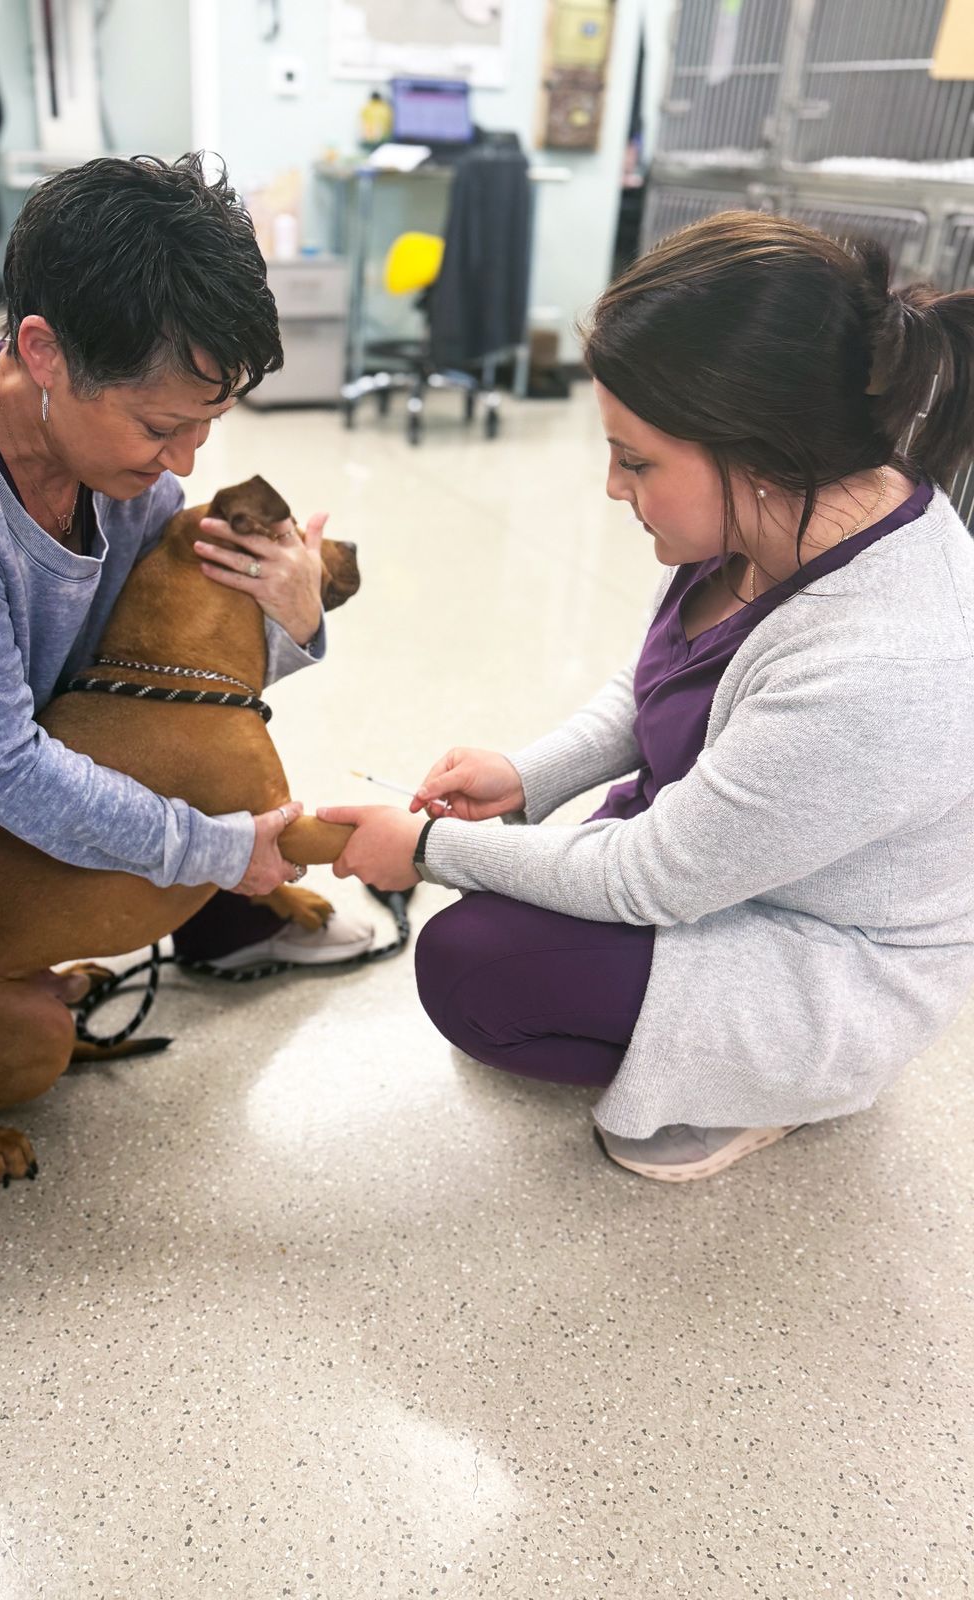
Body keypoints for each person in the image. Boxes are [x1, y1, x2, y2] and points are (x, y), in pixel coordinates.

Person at [319, 212, 974, 1183]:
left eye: (636, 460)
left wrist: (422, 849)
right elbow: (657, 682)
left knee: (474, 973)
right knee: (507, 921)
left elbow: (647, 878)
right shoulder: (776, 512)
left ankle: (778, 1087)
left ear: (757, 448)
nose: (613, 488)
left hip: (823, 956)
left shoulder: (883, 657)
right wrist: (525, 775)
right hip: (722, 857)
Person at [0, 153, 372, 1128]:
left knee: (193, 775)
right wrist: (212, 846)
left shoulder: (121, 474)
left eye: (207, 426)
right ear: (43, 351)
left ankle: (220, 910)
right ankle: (225, 890)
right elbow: (3, 764)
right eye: (158, 426)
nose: (184, 463)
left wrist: (298, 616)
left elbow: (160, 681)